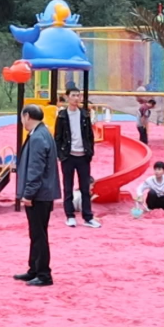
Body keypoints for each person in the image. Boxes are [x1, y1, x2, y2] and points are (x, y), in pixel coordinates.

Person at [13, 104, 61, 287]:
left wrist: (28, 194)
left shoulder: (38, 137)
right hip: (42, 193)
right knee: (36, 234)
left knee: (39, 235)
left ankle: (43, 274)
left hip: (39, 195)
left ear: (26, 116)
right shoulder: (42, 133)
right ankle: (34, 269)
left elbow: (36, 169)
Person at [56, 84, 100, 229]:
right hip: (68, 156)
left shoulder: (85, 115)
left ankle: (88, 217)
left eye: (78, 95)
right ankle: (70, 216)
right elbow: (58, 137)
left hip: (83, 156)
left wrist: (90, 152)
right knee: (68, 187)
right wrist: (61, 155)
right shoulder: (62, 116)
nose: (76, 98)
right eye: (73, 95)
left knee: (85, 188)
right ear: (67, 97)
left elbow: (90, 136)